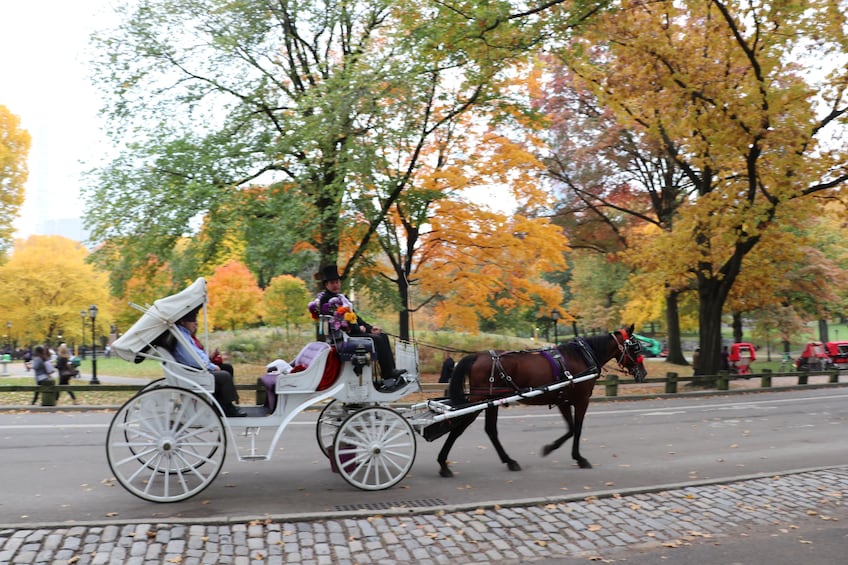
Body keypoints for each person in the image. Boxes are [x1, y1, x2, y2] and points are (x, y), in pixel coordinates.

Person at [315, 265, 406, 386]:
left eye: (337, 282)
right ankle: (388, 374)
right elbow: (338, 322)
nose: (335, 285)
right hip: (342, 336)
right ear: (326, 285)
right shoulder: (326, 301)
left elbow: (355, 317)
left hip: (352, 331)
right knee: (377, 340)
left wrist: (370, 328)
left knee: (382, 335)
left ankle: (389, 372)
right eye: (332, 282)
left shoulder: (342, 298)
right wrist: (358, 329)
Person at [172, 310, 246, 417]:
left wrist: (210, 361)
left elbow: (197, 355)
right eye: (192, 321)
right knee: (224, 375)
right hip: (193, 371)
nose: (196, 323)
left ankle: (223, 403)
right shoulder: (181, 337)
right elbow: (192, 359)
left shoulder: (185, 335)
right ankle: (228, 408)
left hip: (196, 368)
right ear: (183, 322)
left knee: (227, 367)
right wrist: (211, 366)